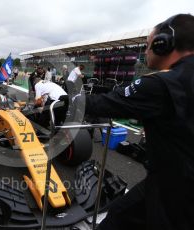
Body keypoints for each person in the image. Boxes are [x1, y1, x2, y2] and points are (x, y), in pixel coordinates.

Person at [72, 14, 194, 230]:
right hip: (168, 181)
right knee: (119, 216)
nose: (145, 52)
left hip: (175, 189)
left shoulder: (162, 84)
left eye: (148, 46)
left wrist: (68, 101)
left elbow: (106, 104)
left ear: (163, 44)